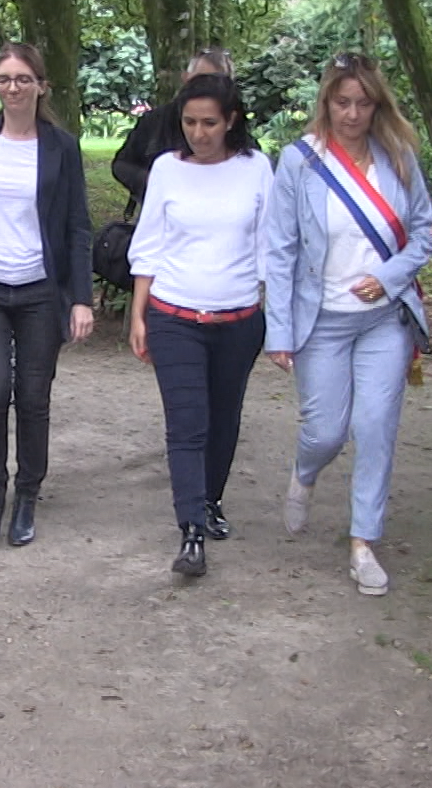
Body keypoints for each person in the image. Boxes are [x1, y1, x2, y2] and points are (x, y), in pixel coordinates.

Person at [263, 52, 432, 598]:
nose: (353, 114)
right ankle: (305, 471)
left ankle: (363, 543)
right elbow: (280, 249)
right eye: (343, 102)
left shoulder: (399, 157)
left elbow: (425, 232)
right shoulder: (299, 162)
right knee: (326, 432)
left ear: (377, 105)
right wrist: (279, 330)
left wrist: (388, 276)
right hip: (321, 321)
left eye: (363, 103)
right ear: (327, 102)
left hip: (385, 319)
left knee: (376, 424)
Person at [0, 45, 94, 552]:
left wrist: (81, 298)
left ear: (41, 86)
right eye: (4, 79)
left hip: (41, 290)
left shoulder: (61, 147)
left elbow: (77, 226)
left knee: (33, 397)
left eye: (23, 78)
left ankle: (27, 494)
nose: (13, 87)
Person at [126, 73, 273, 578]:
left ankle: (210, 499)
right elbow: (149, 244)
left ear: (230, 120)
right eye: (189, 122)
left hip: (238, 319)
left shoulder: (256, 169)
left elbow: (269, 246)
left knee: (223, 419)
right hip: (174, 316)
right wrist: (138, 313)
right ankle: (189, 530)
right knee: (187, 424)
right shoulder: (167, 169)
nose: (198, 132)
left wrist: (278, 312)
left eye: (209, 122)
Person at [111, 47, 235, 206]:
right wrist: (154, 181)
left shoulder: (234, 125)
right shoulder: (156, 120)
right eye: (201, 80)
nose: (198, 134)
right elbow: (122, 165)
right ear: (186, 78)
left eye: (210, 123)